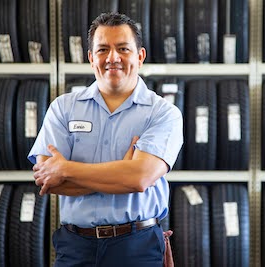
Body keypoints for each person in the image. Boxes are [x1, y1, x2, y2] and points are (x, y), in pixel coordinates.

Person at [28, 12, 183, 267]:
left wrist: (66, 168)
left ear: (140, 56)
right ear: (91, 58)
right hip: (75, 247)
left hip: (137, 247)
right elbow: (48, 181)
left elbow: (140, 177)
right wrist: (120, 173)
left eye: (123, 48)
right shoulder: (63, 109)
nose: (113, 58)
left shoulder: (163, 113)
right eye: (102, 50)